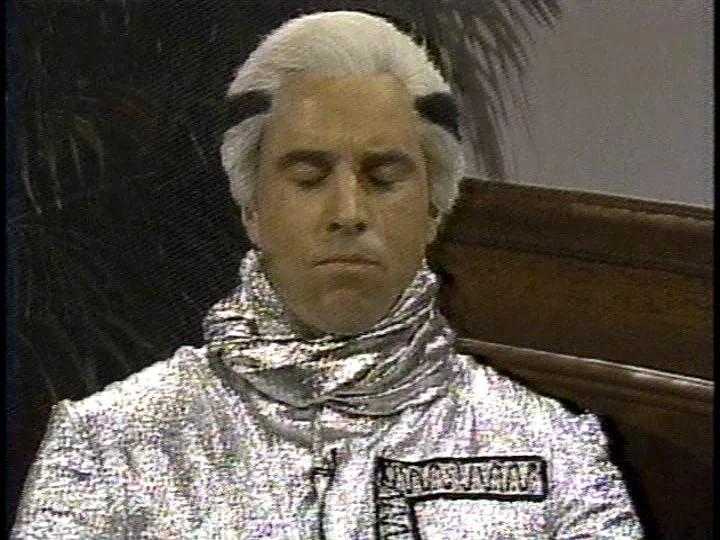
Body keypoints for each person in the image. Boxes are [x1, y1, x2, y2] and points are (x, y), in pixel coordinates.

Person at [11, 10, 643, 539]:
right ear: (253, 209)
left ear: (434, 208)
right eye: (309, 177)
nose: (348, 212)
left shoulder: (553, 452)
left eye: (384, 177)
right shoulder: (111, 445)